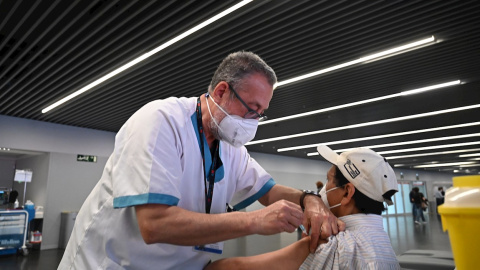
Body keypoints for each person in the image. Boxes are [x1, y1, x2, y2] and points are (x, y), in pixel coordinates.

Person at [58, 51, 344, 270]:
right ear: (221, 91)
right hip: (113, 264)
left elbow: (268, 191)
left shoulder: (230, 147)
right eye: (251, 109)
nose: (253, 122)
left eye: (261, 114)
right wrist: (254, 221)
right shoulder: (161, 121)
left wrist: (309, 200)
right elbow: (154, 225)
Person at [205, 146, 401, 270]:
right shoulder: (387, 250)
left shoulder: (328, 244)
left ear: (347, 193)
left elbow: (233, 267)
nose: (324, 190)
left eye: (329, 181)